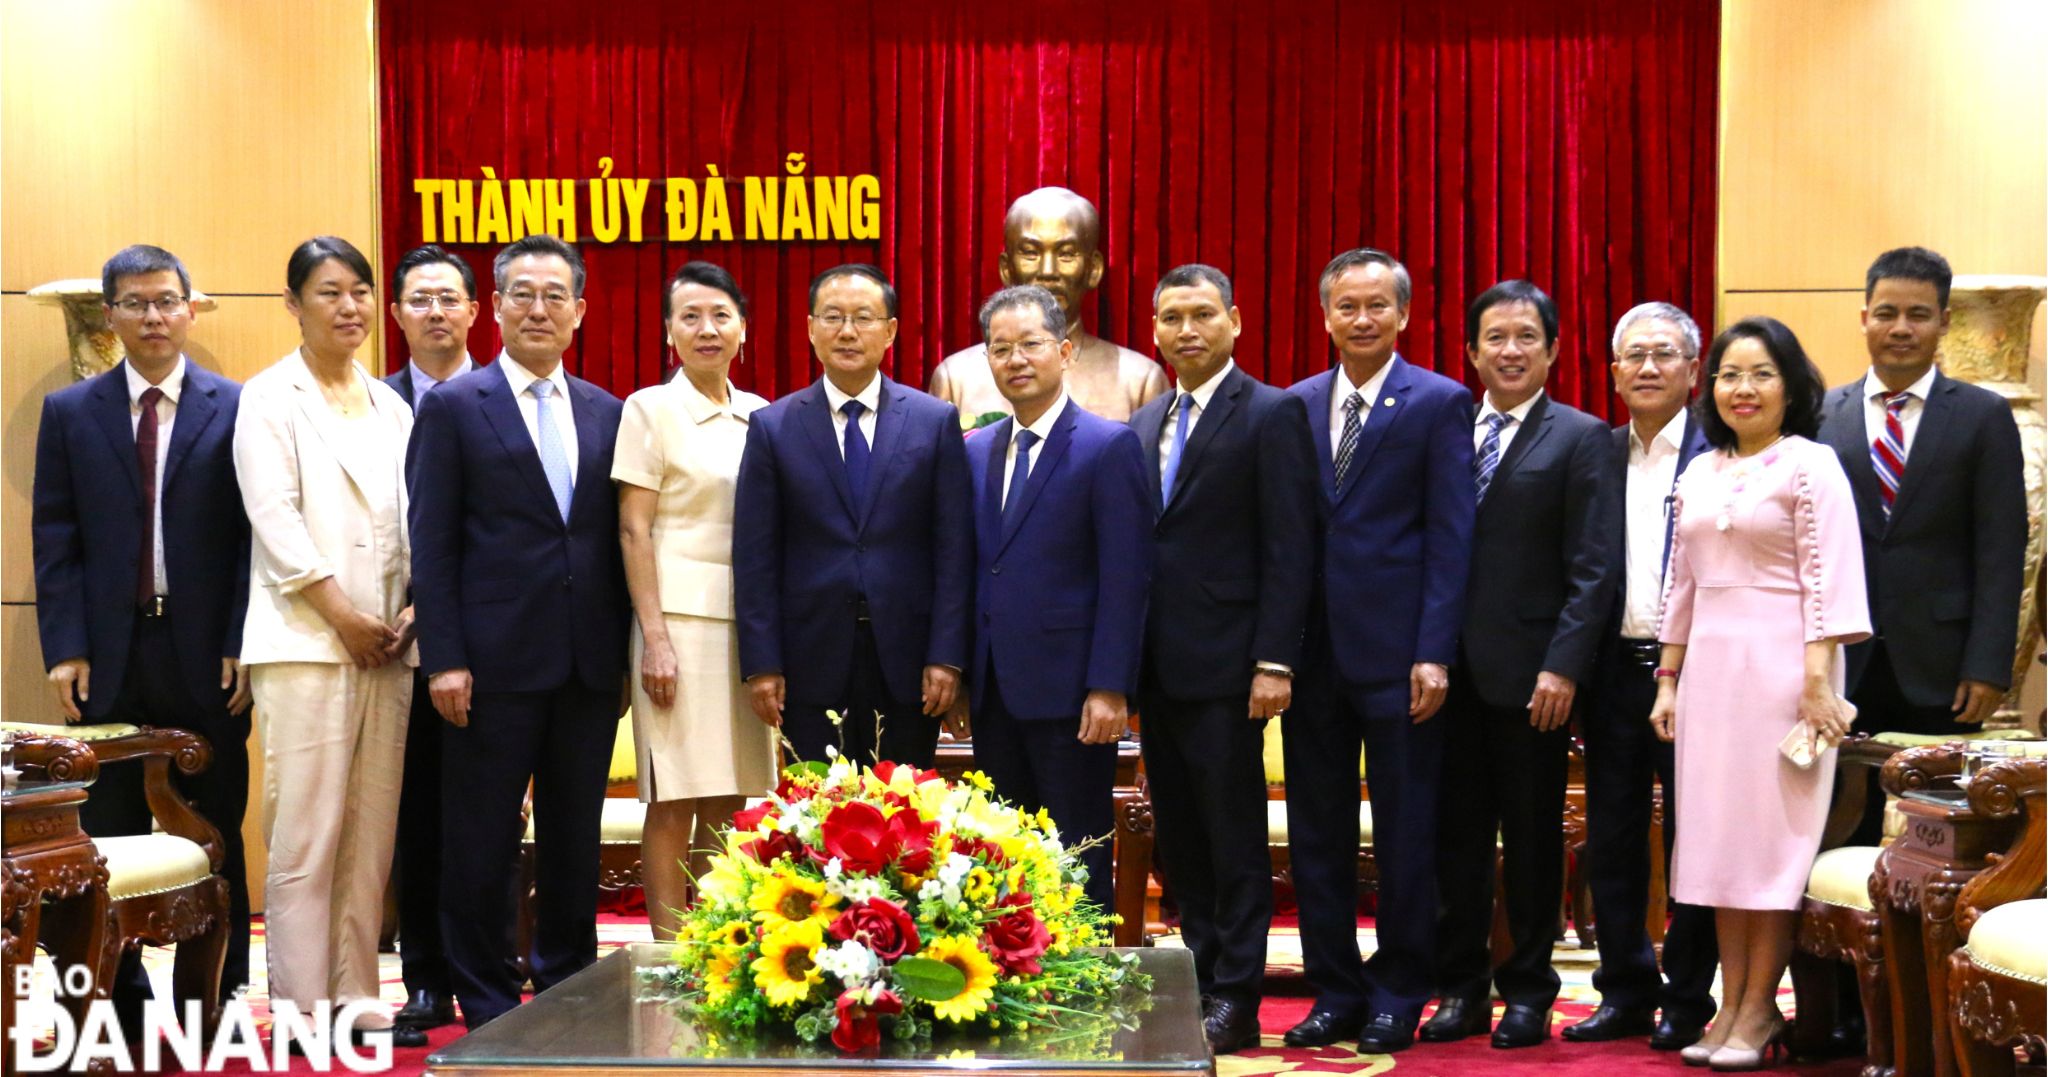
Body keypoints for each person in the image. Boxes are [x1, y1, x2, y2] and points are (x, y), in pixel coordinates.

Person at [407, 234, 629, 1030]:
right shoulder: (453, 408)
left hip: (586, 666)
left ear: (579, 310)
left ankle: (569, 983)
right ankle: (490, 998)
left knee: (574, 837)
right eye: (523, 293)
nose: (540, 308)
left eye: (555, 294)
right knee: (482, 840)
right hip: (489, 666)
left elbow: (615, 543)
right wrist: (445, 657)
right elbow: (431, 545)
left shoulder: (610, 410)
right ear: (495, 306)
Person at [31, 244, 254, 1021]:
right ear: (112, 315)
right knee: (107, 828)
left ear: (190, 309)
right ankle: (116, 994)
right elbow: (54, 535)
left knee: (217, 821)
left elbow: (250, 541)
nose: (153, 316)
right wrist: (65, 646)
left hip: (208, 655)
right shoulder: (70, 413)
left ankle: (222, 991)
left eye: (166, 300)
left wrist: (240, 638)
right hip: (109, 653)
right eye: (136, 303)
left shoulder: (237, 406)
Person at [1650, 317, 1870, 1070]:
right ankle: (1731, 1004)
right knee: (1717, 848)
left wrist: (1815, 680)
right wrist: (1668, 678)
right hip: (1710, 670)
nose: (1743, 388)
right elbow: (1679, 585)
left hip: (1785, 673)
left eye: (1762, 373)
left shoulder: (1810, 465)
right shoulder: (1700, 470)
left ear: (1791, 385)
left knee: (1770, 849)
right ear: (1710, 387)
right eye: (1729, 374)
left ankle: (1758, 1008)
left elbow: (1828, 575)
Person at [1282, 248, 1474, 1055]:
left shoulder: (1437, 401)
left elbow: (1451, 534)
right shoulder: (1293, 404)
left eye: (1376, 306)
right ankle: (1336, 988)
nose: (1361, 319)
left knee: (1403, 832)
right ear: (1325, 316)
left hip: (1402, 659)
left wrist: (1434, 649)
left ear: (1402, 315)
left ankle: (1400, 989)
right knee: (1316, 830)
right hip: (1311, 655)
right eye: (1346, 306)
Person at [234, 236, 421, 1047]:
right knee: (306, 827)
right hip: (309, 639)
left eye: (359, 292)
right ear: (294, 304)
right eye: (329, 292)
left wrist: (411, 611)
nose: (350, 308)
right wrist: (342, 612)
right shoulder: (269, 397)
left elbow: (416, 524)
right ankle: (301, 999)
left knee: (370, 826)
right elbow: (273, 519)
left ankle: (355, 988)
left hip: (390, 642)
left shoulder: (394, 405)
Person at [1424, 280, 1617, 1049]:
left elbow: (1595, 565)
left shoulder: (1581, 436)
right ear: (1471, 351)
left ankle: (1529, 990)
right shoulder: (1444, 431)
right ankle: (1460, 989)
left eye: (1525, 337)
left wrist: (1564, 665)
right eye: (1494, 337)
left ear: (1554, 349)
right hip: (1446, 677)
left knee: (1533, 839)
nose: (1510, 350)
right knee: (1455, 841)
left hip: (1534, 678)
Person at [1130, 265, 1316, 1053]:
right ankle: (1199, 977)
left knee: (1233, 833)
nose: (1187, 329)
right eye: (1172, 316)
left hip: (1232, 665)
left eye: (1203, 314)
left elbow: (1290, 545)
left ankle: (1237, 993)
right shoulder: (1145, 422)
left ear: (1235, 320)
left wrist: (1275, 658)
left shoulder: (1271, 413)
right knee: (1181, 836)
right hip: (1155, 666)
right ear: (1156, 330)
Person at [733, 264, 972, 769]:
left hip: (909, 660)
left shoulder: (933, 422)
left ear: (890, 330)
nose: (847, 331)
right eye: (833, 317)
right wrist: (762, 664)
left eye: (863, 318)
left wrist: (947, 655)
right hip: (807, 659)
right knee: (814, 819)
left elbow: (954, 550)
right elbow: (754, 557)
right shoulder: (773, 427)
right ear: (810, 328)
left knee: (907, 818)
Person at [960, 284, 1150, 915]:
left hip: (1073, 693)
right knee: (1002, 857)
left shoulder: (1107, 445)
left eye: (1031, 345)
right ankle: (1013, 980)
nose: (1015, 359)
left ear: (1064, 351)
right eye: (1000, 348)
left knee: (1076, 848)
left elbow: (1126, 577)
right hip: (993, 690)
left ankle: (1083, 989)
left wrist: (1110, 687)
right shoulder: (975, 451)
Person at [1564, 302, 1719, 1050]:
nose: (1649, 367)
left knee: (1699, 838)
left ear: (1696, 369)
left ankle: (1688, 996)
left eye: (1666, 354)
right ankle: (1624, 988)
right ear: (1614, 370)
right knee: (1613, 838)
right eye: (1635, 356)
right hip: (1613, 675)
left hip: (1702, 675)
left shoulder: (1725, 453)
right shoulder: (1593, 450)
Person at [614, 261, 777, 940]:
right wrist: (653, 637)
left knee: (729, 794)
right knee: (674, 793)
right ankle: (667, 948)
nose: (706, 329)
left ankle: (716, 939)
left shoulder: (763, 415)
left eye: (720, 315)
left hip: (746, 629)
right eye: (690, 316)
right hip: (675, 625)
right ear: (668, 331)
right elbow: (634, 527)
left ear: (744, 326)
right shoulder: (649, 408)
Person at [1820, 248, 2024, 771]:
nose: (1901, 328)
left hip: (1945, 669)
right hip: (1841, 661)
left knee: (1933, 828)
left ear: (1944, 322)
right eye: (1887, 313)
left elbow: (2002, 553)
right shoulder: (1821, 415)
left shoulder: (1984, 417)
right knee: (1840, 823)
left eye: (1919, 314)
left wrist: (1989, 666)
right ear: (1865, 318)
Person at [380, 243, 478, 1033]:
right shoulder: (370, 405)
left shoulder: (507, 398)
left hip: (497, 646)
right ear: (397, 314)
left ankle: (492, 972)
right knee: (418, 817)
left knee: (482, 818)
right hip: (392, 648)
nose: (436, 311)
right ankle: (424, 978)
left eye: (450, 298)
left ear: (476, 311)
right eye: (420, 299)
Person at [928, 186, 1168, 423]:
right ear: (1006, 269)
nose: (1048, 272)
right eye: (1031, 253)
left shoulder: (1140, 381)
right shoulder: (956, 379)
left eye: (1066, 254)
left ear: (1093, 269)